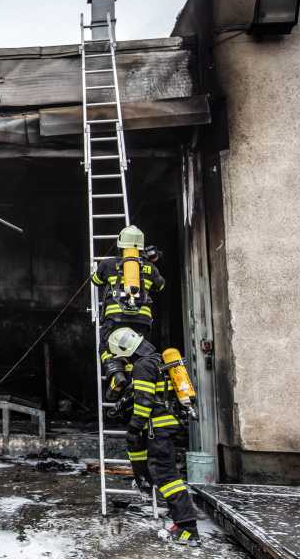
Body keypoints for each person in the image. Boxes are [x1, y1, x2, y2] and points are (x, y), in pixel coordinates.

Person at [107, 327, 200, 546]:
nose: (122, 360)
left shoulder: (142, 366)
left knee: (167, 478)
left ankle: (187, 528)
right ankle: (144, 483)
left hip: (156, 429)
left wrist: (133, 428)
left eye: (121, 355)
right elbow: (149, 394)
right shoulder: (157, 361)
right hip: (160, 427)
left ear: (126, 350)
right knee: (148, 461)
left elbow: (145, 401)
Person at [91, 225, 164, 400]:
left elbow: (96, 281)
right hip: (142, 322)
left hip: (116, 319)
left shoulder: (108, 264)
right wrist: (149, 263)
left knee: (107, 347)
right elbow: (160, 286)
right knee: (137, 353)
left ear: (120, 244)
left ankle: (117, 374)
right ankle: (133, 385)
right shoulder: (150, 268)